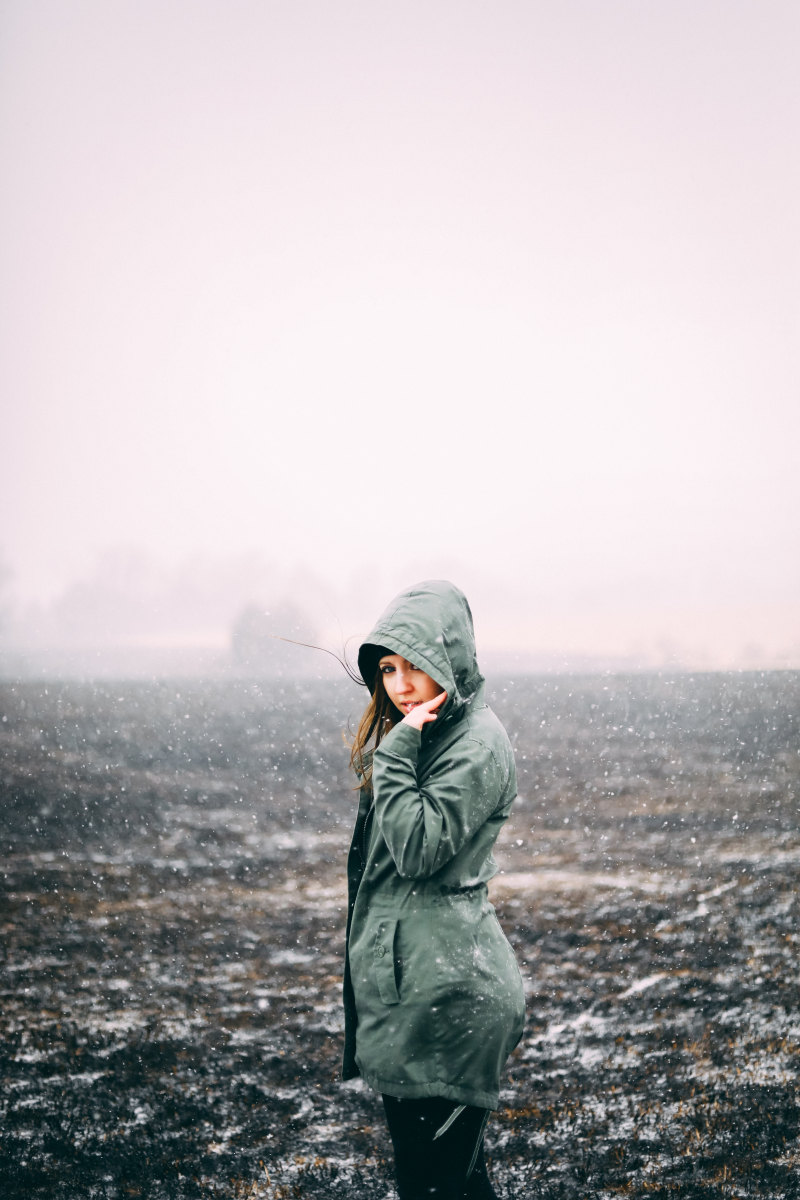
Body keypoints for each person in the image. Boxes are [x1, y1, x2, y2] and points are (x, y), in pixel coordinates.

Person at [342, 580, 525, 1200]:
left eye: (415, 664)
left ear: (451, 657)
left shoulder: (473, 743)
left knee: (434, 1186)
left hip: (450, 998)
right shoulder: (430, 734)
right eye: (388, 668)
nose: (399, 684)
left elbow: (418, 851)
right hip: (416, 990)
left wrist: (394, 754)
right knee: (449, 1186)